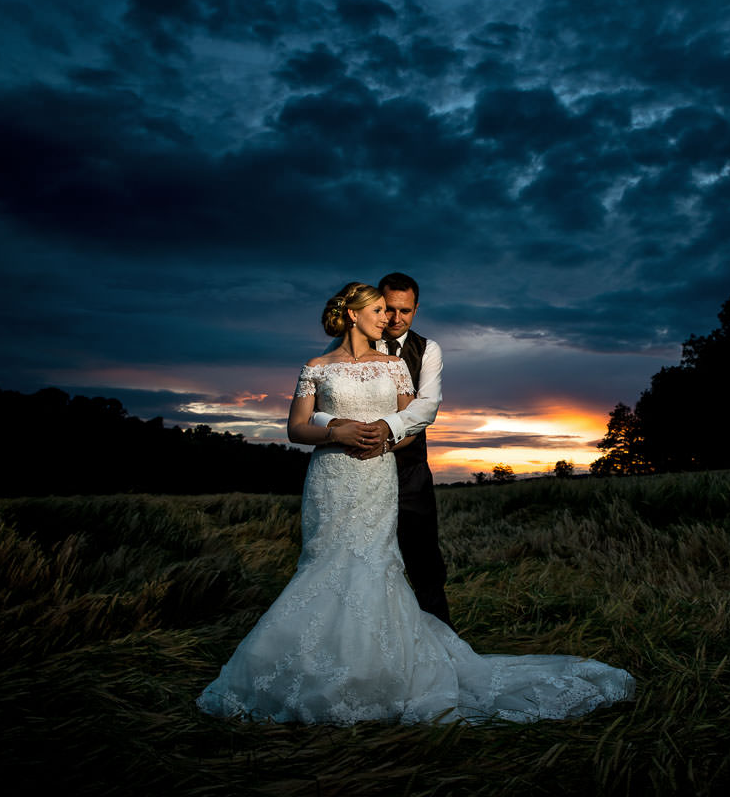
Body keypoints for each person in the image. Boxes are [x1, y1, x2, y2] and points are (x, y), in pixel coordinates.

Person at [196, 282, 634, 725]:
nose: (389, 318)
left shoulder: (396, 367)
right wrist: (335, 431)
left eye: (394, 311)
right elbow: (295, 428)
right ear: (353, 314)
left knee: (374, 564)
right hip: (330, 478)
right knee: (323, 562)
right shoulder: (316, 366)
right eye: (380, 310)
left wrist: (382, 435)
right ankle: (311, 666)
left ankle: (376, 671)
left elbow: (412, 424)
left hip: (376, 475)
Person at [309, 273, 452, 629]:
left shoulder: (427, 350)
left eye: (405, 311)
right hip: (355, 470)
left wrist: (387, 431)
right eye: (388, 309)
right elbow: (318, 400)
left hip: (409, 469)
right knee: (357, 558)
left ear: (416, 309)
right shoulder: (341, 348)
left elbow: (427, 406)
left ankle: (442, 641)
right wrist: (339, 425)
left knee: (423, 561)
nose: (395, 318)